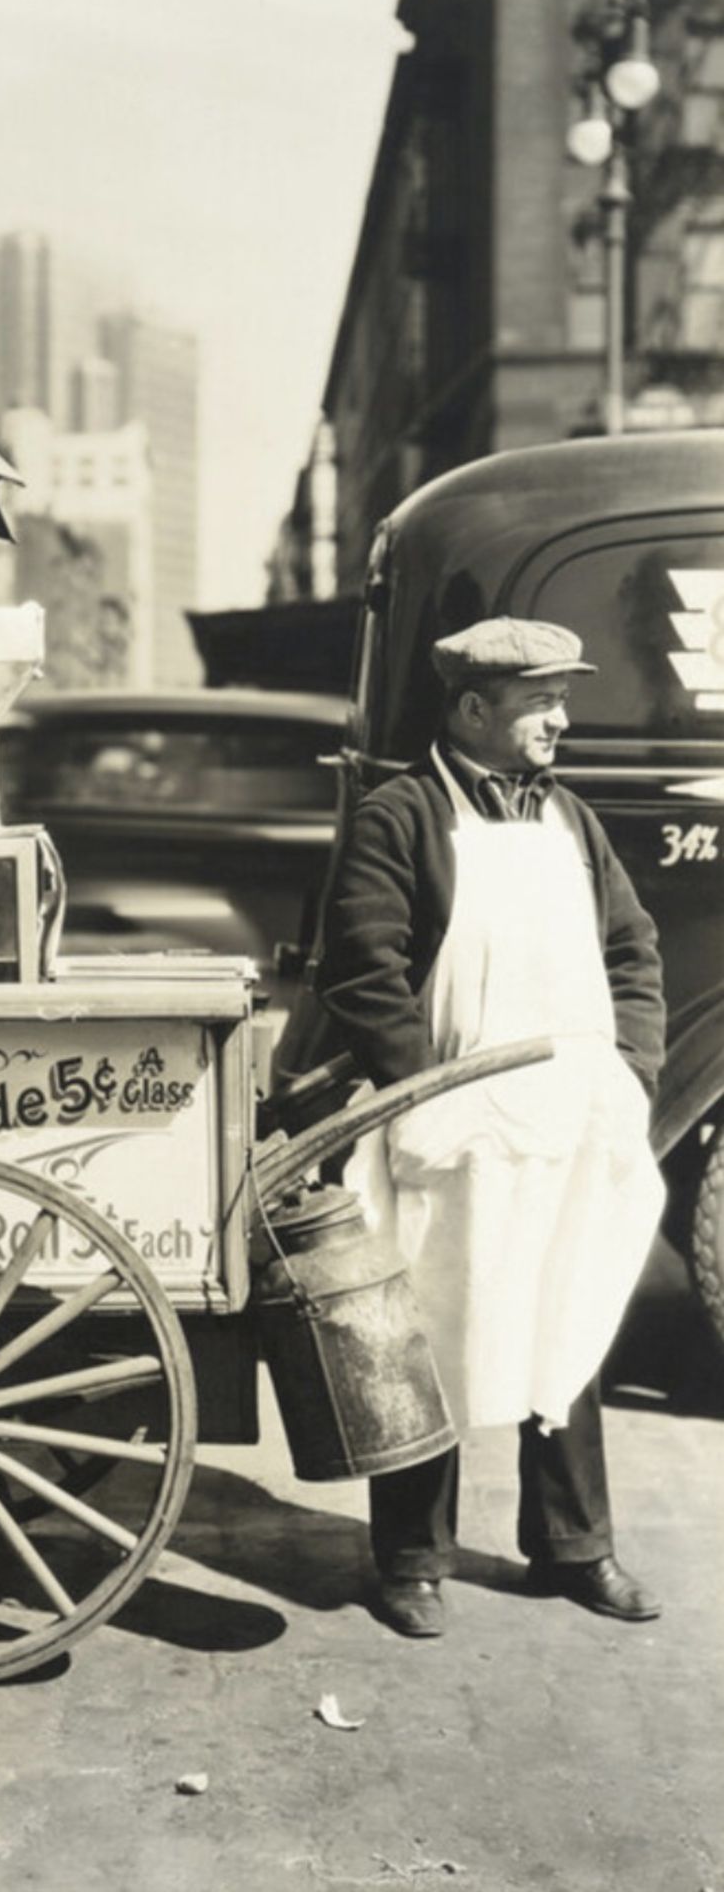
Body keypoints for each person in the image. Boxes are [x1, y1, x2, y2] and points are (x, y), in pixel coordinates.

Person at [315, 616, 666, 1639]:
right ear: (473, 710)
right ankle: (410, 1559)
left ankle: (572, 1548)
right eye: (538, 704)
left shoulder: (570, 822)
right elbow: (361, 968)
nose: (559, 721)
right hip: (446, 1129)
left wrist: (630, 1067)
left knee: (566, 1319)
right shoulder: (400, 815)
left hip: (562, 1119)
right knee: (426, 1331)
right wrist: (423, 1089)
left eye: (560, 700)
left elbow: (630, 950)